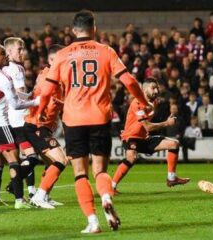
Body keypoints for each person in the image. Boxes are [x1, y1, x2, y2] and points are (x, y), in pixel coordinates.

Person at [38, 10, 152, 233]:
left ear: (73, 30)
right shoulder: (106, 51)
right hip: (100, 117)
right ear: (94, 29)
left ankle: (92, 222)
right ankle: (107, 195)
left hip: (73, 118)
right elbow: (128, 80)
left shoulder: (62, 54)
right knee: (100, 171)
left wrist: (42, 111)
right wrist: (143, 101)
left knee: (80, 173)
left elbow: (47, 90)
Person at [0, 43, 39, 209]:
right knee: (14, 161)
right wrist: (36, 102)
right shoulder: (3, 78)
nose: (6, 56)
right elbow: (16, 105)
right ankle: (20, 201)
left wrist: (28, 95)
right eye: (2, 54)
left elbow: (12, 95)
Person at [112, 78, 190, 192]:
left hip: (144, 138)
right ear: (144, 89)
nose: (156, 90)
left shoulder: (154, 102)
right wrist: (167, 123)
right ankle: (112, 186)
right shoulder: (137, 103)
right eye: (153, 88)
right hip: (131, 137)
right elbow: (147, 126)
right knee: (132, 157)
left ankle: (171, 178)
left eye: (157, 88)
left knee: (174, 144)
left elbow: (147, 125)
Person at [24, 44, 67, 209]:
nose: (55, 63)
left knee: (51, 163)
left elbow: (58, 102)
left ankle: (44, 196)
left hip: (44, 126)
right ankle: (39, 196)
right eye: (52, 60)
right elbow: (43, 96)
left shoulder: (56, 76)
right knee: (61, 160)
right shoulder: (48, 76)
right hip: (36, 125)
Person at [3, 37, 41, 198]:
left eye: (23, 48)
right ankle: (15, 185)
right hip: (20, 118)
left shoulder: (2, 68)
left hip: (8, 119)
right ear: (9, 51)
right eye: (19, 49)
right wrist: (37, 96)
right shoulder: (17, 69)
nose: (22, 52)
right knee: (32, 156)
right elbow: (21, 95)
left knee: (23, 157)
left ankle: (31, 192)